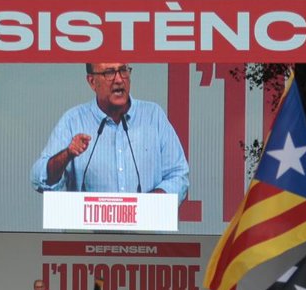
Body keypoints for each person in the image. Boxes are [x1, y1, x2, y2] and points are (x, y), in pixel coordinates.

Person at [31, 63, 189, 199]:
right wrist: (67, 154)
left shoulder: (153, 116)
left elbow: (178, 175)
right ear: (92, 82)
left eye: (123, 70)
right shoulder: (73, 121)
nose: (119, 79)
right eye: (109, 73)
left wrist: (149, 205)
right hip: (89, 227)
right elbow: (39, 179)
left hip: (146, 226)